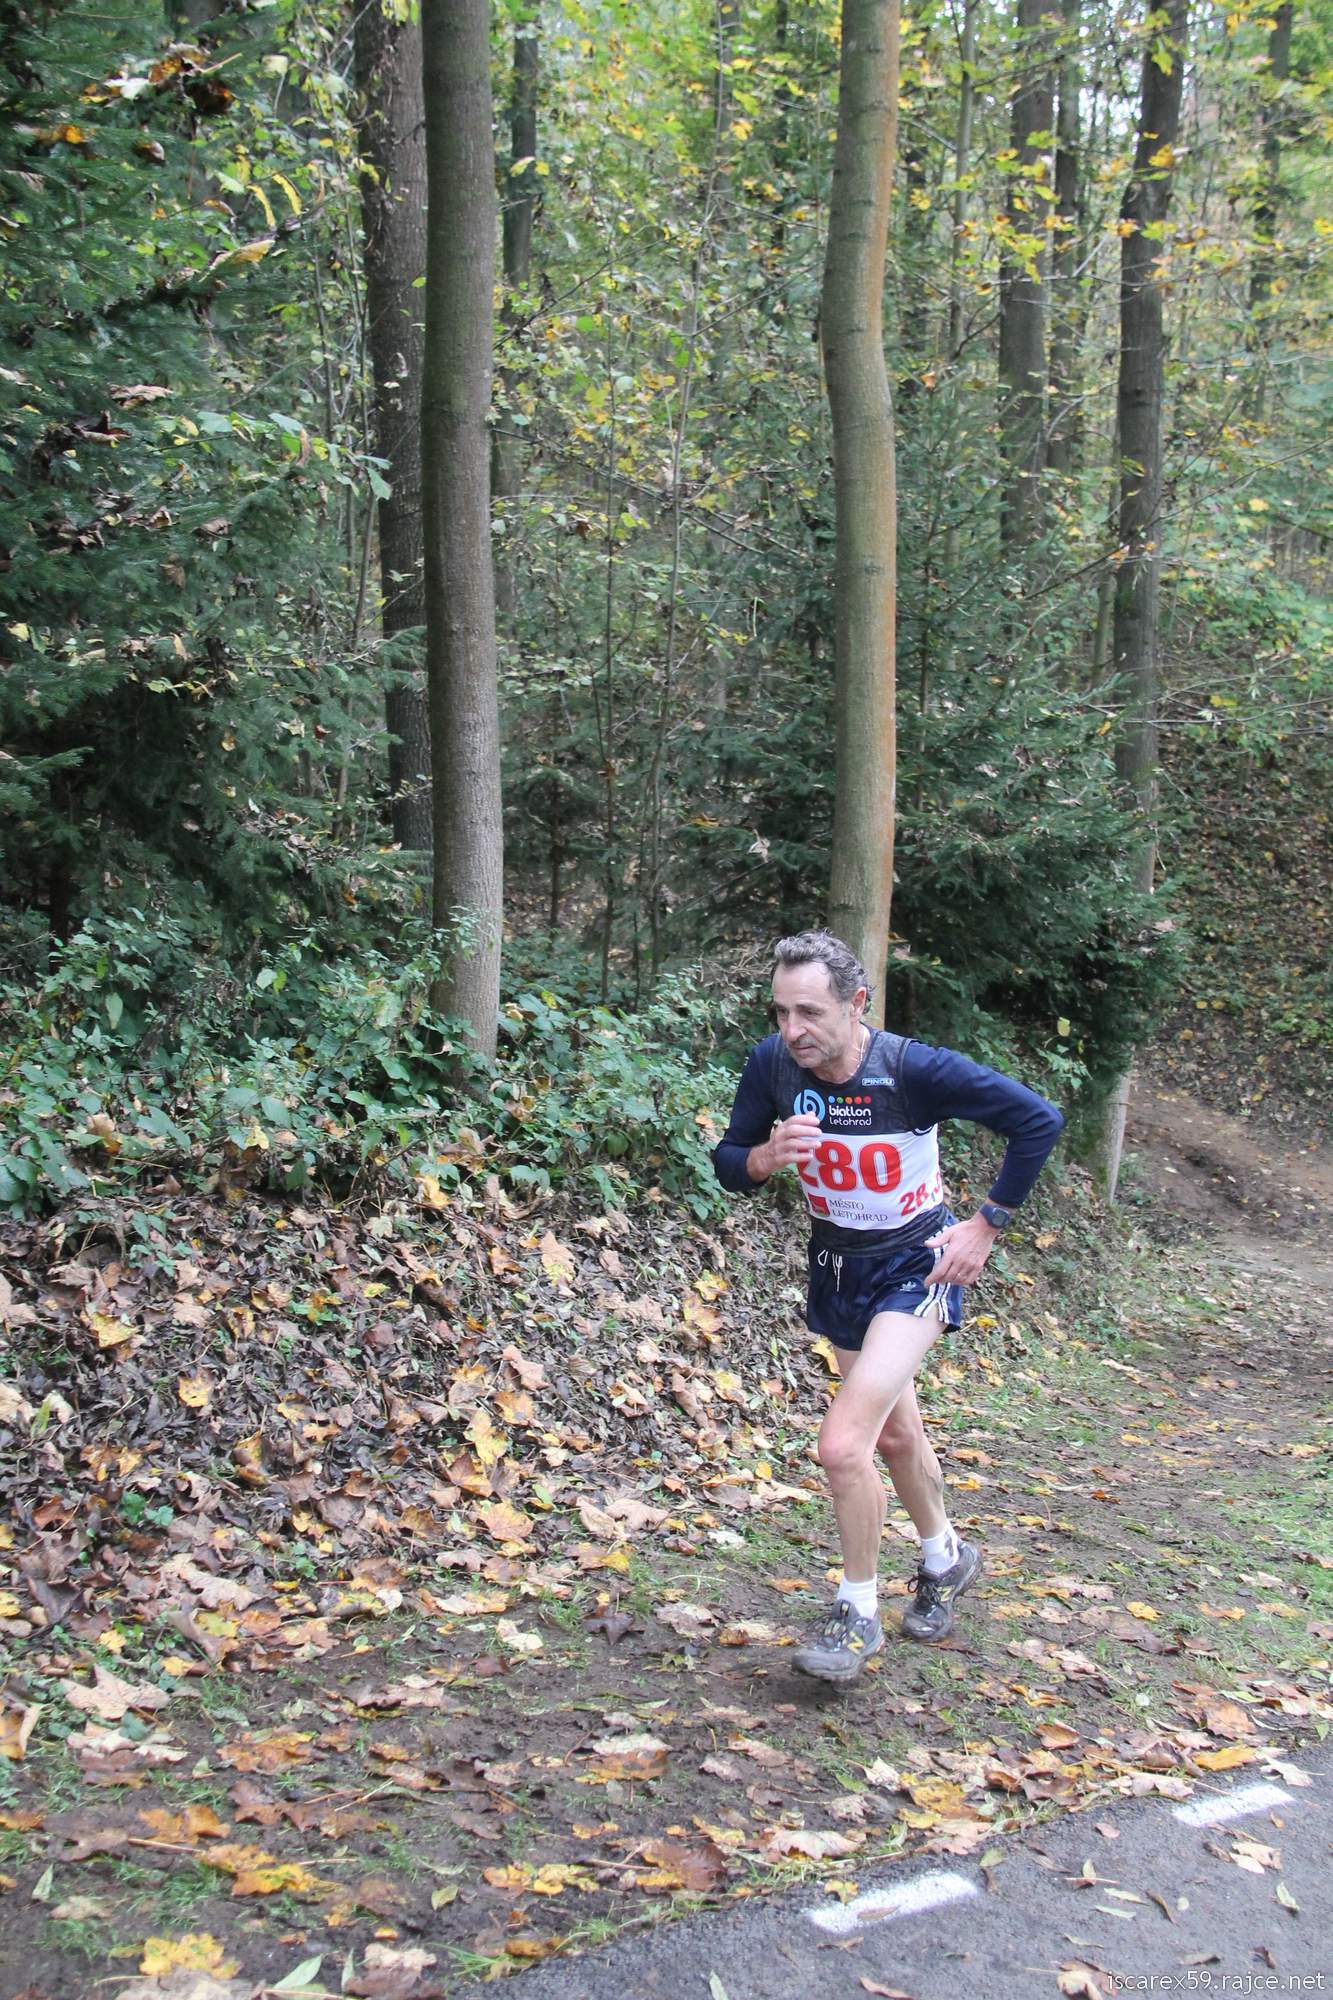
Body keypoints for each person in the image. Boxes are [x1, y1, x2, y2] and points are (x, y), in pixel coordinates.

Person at [711, 930, 1064, 1685]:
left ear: (856, 1003)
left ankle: (856, 1611)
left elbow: (1038, 1121)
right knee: (897, 1435)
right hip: (839, 1270)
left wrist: (985, 1225)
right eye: (780, 1012)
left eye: (809, 1012)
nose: (792, 1030)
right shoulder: (773, 1065)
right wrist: (765, 1158)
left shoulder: (912, 1069)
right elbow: (728, 1163)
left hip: (918, 1267)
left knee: (844, 1445)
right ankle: (945, 1558)